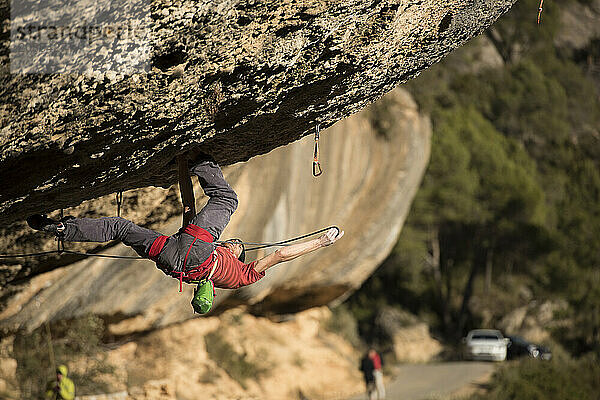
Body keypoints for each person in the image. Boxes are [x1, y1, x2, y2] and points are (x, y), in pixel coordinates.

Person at [27, 156, 344, 295]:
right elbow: (188, 203)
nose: (234, 243)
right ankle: (61, 229)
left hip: (193, 254)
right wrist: (180, 166)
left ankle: (202, 156)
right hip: (171, 259)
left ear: (236, 256)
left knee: (227, 201)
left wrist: (321, 242)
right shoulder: (222, 273)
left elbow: (280, 254)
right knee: (120, 228)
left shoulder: (244, 274)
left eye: (236, 246)